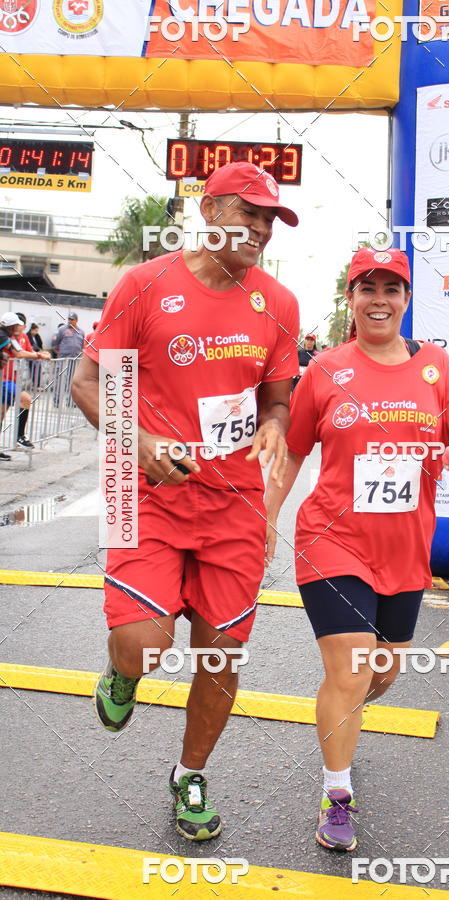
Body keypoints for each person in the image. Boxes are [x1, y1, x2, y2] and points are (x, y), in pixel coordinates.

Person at [72, 161, 300, 841]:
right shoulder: (146, 286)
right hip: (145, 491)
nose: (259, 229)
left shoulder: (279, 304)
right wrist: (140, 443)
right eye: (247, 212)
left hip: (232, 504)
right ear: (209, 209)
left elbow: (279, 397)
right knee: (142, 644)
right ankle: (122, 675)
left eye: (268, 218)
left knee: (222, 651)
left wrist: (276, 424)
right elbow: (88, 383)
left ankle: (190, 773)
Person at [265, 246, 449, 852]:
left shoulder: (440, 371)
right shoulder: (325, 370)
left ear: (406, 298)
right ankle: (337, 794)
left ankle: (343, 717)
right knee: (350, 669)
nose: (379, 300)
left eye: (392, 289)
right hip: (333, 539)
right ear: (350, 299)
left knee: (381, 670)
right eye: (366, 288)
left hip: (405, 549)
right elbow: (294, 450)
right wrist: (263, 521)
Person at [0, 311, 50, 453]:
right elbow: (19, 353)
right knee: (26, 398)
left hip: (9, 378)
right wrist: (40, 355)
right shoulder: (3, 335)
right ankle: (20, 436)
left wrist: (38, 354)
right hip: (3, 379)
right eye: (17, 325)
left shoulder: (9, 336)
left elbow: (23, 351)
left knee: (1, 414)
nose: (19, 328)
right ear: (11, 325)